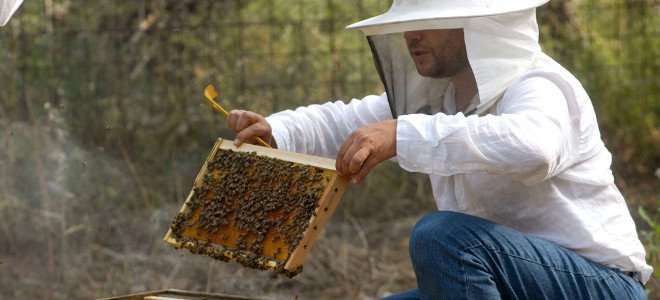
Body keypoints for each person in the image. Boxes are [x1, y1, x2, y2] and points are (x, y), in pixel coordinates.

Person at [226, 1, 652, 298]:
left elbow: (533, 147)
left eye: (429, 19)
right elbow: (350, 120)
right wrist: (278, 128)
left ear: (477, 24)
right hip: (514, 281)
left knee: (441, 237)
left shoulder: (540, 86)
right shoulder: (440, 98)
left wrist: (402, 136)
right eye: (410, 20)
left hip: (599, 286)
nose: (412, 34)